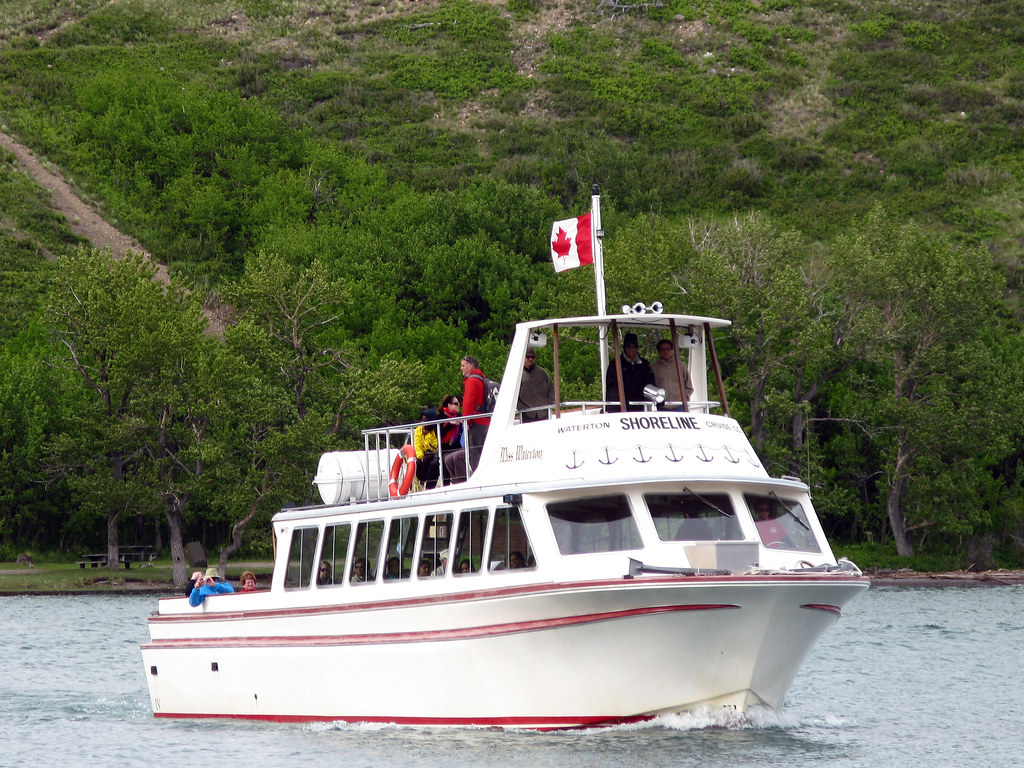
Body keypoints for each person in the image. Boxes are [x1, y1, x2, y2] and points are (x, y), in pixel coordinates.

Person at [443, 356, 491, 482]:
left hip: (476, 423)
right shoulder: (481, 379)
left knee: (475, 455)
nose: (461, 368)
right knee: (483, 452)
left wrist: (467, 422)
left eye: (463, 365)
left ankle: (479, 481)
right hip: (485, 421)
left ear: (470, 366)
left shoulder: (471, 380)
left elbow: (469, 404)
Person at [605, 332, 654, 412]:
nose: (631, 349)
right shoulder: (615, 364)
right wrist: (621, 402)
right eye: (629, 346)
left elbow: (650, 383)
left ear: (637, 348)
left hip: (639, 407)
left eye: (634, 346)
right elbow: (611, 387)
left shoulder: (644, 364)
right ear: (624, 347)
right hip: (620, 408)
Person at [652, 339, 693, 411]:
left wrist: (684, 398)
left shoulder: (680, 365)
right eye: (662, 349)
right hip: (661, 407)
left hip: (679, 406)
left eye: (668, 349)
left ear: (672, 350)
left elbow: (689, 386)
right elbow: (651, 388)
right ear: (658, 351)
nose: (665, 351)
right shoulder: (653, 368)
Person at [517, 350, 555, 422]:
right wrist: (521, 408)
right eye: (528, 357)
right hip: (526, 415)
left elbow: (551, 391)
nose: (530, 359)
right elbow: (513, 395)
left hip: (543, 414)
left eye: (532, 357)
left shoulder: (542, 373)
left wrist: (549, 406)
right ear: (523, 357)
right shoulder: (518, 375)